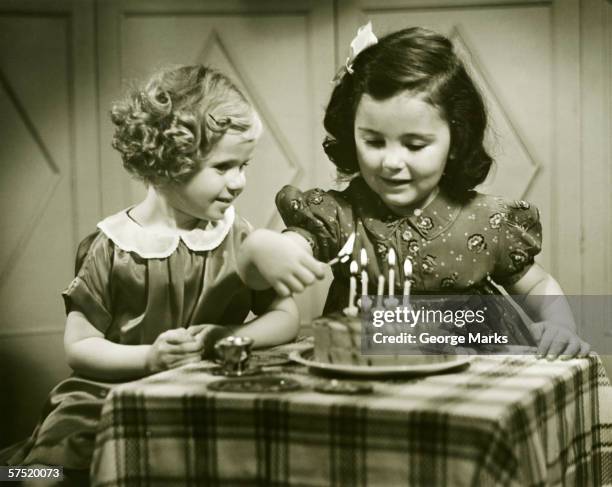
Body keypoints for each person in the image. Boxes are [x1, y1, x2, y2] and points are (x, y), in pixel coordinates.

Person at [0, 64, 298, 485]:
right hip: (107, 395)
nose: (239, 182)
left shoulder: (240, 239)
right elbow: (80, 346)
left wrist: (228, 337)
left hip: (204, 392)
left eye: (244, 165)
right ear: (166, 162)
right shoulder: (112, 246)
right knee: (41, 478)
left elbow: (286, 317)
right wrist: (149, 358)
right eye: (223, 167)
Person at [237, 25, 589, 360]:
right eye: (374, 141)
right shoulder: (338, 215)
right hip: (367, 376)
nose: (391, 161)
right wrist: (264, 251)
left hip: (477, 374)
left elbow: (535, 284)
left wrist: (559, 325)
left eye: (415, 144)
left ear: (455, 139)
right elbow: (291, 249)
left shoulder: (490, 221)